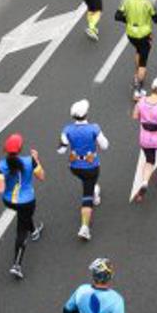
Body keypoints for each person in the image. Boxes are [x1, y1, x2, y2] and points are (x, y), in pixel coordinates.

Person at [0, 134, 44, 280]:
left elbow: (0, 188)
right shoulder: (29, 161)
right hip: (27, 201)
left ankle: (34, 231)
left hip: (9, 201)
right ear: (20, 148)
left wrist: (0, 179)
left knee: (24, 217)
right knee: (21, 230)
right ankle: (17, 264)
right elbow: (41, 176)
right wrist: (36, 159)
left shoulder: (1, 165)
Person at [59, 100, 108, 241]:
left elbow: (61, 150)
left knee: (88, 182)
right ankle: (84, 227)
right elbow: (105, 145)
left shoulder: (67, 129)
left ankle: (94, 191)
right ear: (86, 113)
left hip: (74, 167)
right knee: (87, 196)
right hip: (91, 166)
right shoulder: (94, 128)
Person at [115, 0, 157, 99]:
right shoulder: (148, 1)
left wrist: (129, 21)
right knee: (143, 64)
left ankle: (137, 74)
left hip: (131, 34)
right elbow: (156, 19)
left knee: (138, 50)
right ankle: (138, 90)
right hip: (144, 34)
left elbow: (117, 16)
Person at [132, 78, 157, 200]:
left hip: (145, 137)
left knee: (149, 160)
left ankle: (145, 182)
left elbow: (135, 116)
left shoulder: (141, 101)